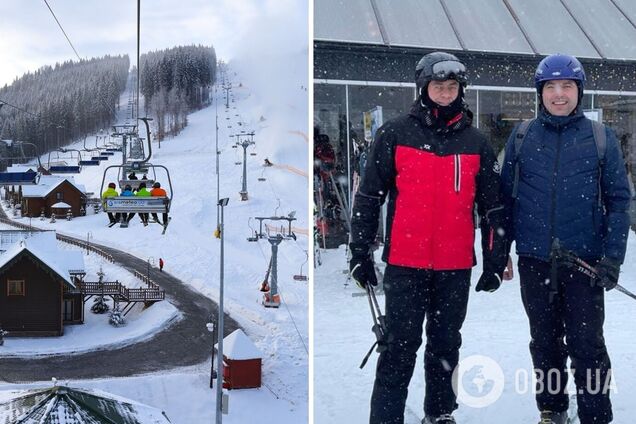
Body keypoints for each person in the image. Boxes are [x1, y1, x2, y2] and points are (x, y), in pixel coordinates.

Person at [349, 52, 508, 424]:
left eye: (452, 87)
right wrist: (359, 252)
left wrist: (495, 263)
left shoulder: (476, 143)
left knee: (446, 346)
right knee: (398, 347)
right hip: (406, 264)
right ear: (423, 88)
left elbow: (493, 210)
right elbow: (369, 196)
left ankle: (439, 414)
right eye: (438, 86)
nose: (445, 93)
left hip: (454, 268)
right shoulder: (395, 133)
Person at [500, 54, 631, 424]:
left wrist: (612, 258)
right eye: (551, 87)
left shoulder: (600, 138)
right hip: (534, 260)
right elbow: (504, 198)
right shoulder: (523, 136)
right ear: (540, 92)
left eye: (567, 86)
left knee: (587, 346)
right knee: (544, 344)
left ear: (579, 91)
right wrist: (499, 253)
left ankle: (595, 416)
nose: (559, 95)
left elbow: (620, 201)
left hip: (584, 263)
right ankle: (552, 410)